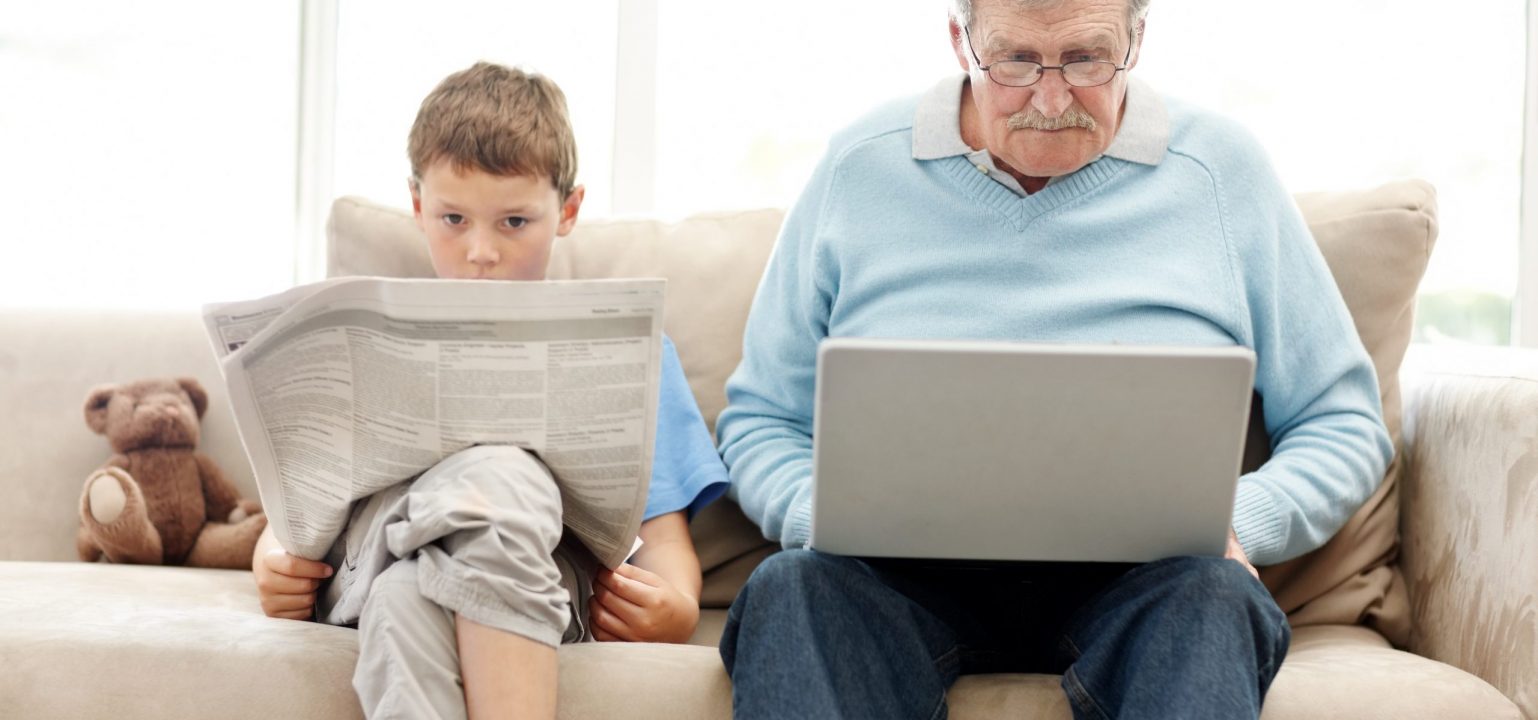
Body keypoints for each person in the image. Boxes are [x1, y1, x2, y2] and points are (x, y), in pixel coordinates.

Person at [714, 0, 1394, 718]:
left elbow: (1343, 422)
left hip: (1151, 582)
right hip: (896, 578)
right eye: (1014, 60)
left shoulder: (1222, 172)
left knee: (1214, 596)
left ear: (1136, 39)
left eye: (1084, 59)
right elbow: (763, 419)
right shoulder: (858, 167)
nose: (1050, 97)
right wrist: (814, 514)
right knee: (792, 589)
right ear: (960, 43)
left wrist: (1236, 521)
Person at [249, 61, 729, 720]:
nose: (480, 251)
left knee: (407, 600)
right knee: (496, 479)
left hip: (539, 585)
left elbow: (664, 537)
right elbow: (298, 497)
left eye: (513, 222)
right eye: (452, 218)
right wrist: (271, 557)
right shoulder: (364, 337)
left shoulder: (633, 353)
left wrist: (673, 605)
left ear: (568, 211)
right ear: (417, 206)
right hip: (371, 557)